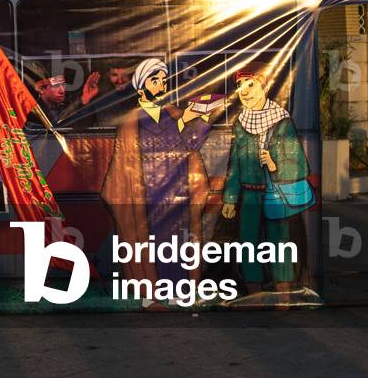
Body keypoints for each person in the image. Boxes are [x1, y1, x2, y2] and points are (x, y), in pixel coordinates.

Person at [101, 57, 217, 286]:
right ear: (142, 84)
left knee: (180, 242)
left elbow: (192, 142)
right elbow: (124, 164)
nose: (161, 84)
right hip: (148, 195)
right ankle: (153, 290)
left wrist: (204, 118)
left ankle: (182, 289)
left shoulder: (174, 114)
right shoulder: (131, 122)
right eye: (156, 80)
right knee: (151, 244)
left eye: (164, 80)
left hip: (179, 192)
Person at [221, 63, 310, 296]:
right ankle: (254, 293)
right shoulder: (241, 124)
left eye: (250, 84)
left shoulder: (281, 121)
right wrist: (230, 198)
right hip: (249, 193)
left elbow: (299, 164)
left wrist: (274, 164)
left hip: (275, 193)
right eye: (240, 86)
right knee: (247, 241)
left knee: (279, 241)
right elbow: (235, 163)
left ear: (263, 87)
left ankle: (284, 292)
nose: (245, 91)